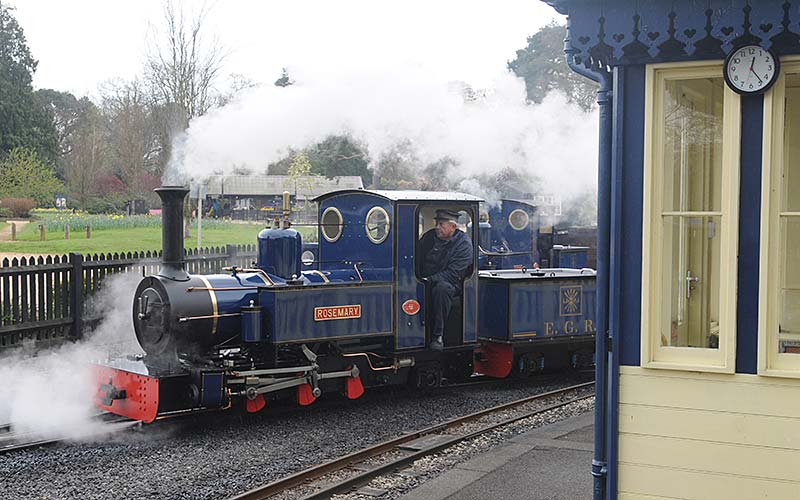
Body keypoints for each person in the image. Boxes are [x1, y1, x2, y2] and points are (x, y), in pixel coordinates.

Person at [418, 209, 474, 351]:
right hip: (424, 277)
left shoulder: (464, 244)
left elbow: (453, 274)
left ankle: (438, 335)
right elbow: (417, 256)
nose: (437, 227)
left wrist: (428, 280)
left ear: (453, 227)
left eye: (441, 224)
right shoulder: (429, 237)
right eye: (437, 223)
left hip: (451, 284)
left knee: (442, 289)